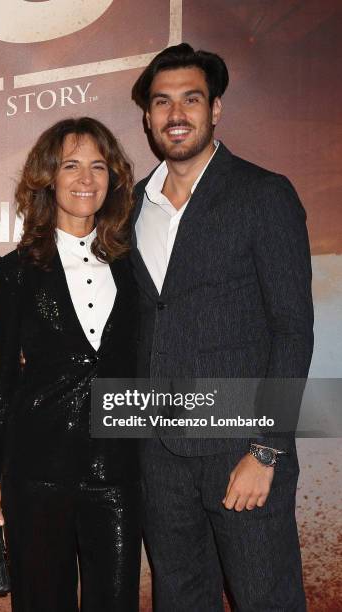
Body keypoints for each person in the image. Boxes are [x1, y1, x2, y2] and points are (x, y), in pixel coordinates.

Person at [131, 43, 314, 611]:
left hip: (242, 447)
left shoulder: (264, 194)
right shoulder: (133, 204)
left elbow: (292, 331)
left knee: (267, 598)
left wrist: (266, 449)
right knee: (181, 600)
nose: (175, 114)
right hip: (159, 457)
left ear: (216, 110)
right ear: (148, 117)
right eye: (162, 102)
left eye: (191, 99)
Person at [0, 117, 141, 612]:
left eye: (98, 166)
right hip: (36, 469)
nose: (86, 179)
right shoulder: (15, 270)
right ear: (49, 177)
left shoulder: (133, 264)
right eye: (71, 165)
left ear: (113, 179)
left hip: (118, 470)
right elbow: (1, 375)